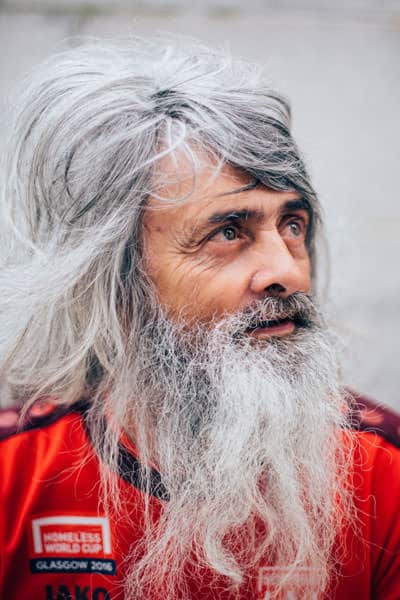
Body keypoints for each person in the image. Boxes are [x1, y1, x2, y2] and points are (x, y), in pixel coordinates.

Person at [0, 37, 399, 600]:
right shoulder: (14, 481)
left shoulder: (383, 473)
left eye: (293, 224)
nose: (288, 272)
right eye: (228, 232)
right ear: (115, 278)